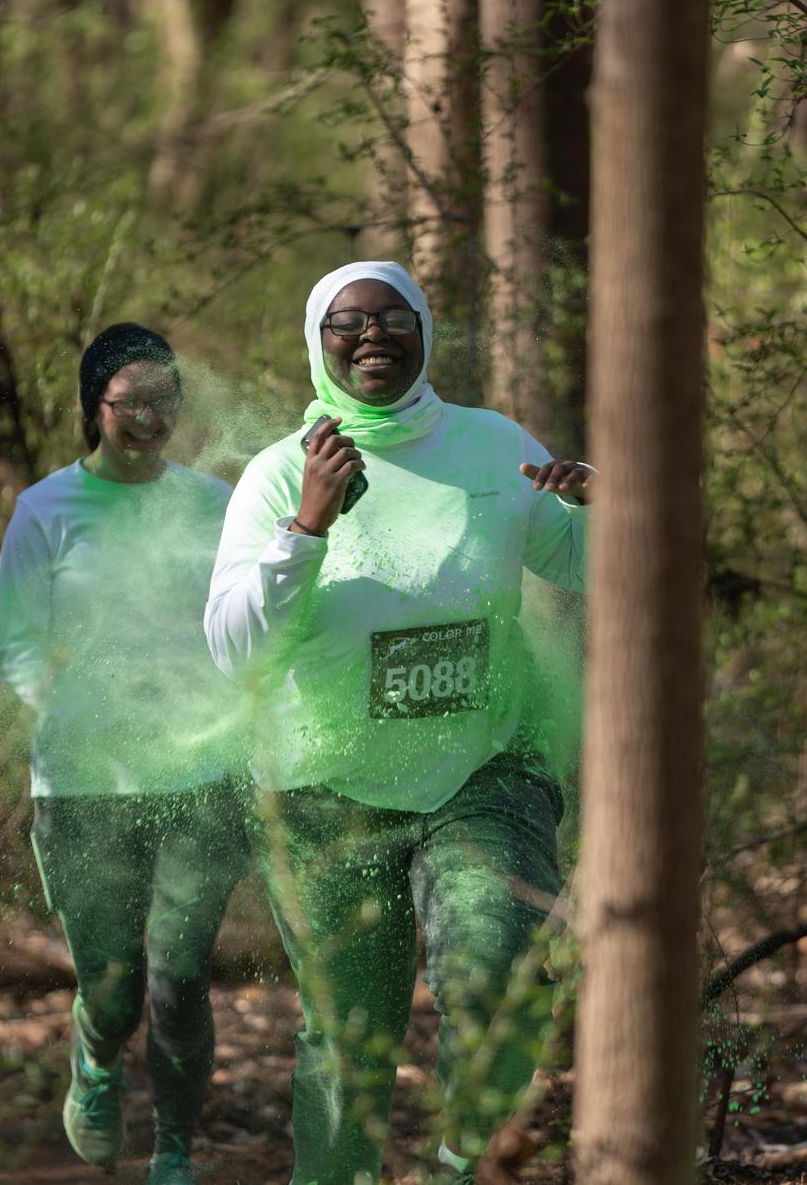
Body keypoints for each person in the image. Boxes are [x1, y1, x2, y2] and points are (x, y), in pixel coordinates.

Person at [204, 260, 592, 1185]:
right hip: (324, 790)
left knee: (499, 977)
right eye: (348, 323)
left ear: (424, 332)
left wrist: (599, 505)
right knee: (350, 1044)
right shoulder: (276, 477)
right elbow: (233, 649)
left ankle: (462, 1165)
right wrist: (308, 525)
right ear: (318, 342)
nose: (371, 336)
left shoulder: (494, 447)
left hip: (482, 771)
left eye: (392, 319)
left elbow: (585, 565)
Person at [0, 323, 249, 1185]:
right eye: (129, 402)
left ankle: (175, 1148)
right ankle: (97, 1059)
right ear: (93, 408)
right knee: (116, 982)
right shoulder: (46, 511)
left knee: (178, 976)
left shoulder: (213, 505)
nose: (149, 418)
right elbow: (17, 646)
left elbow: (248, 624)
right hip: (85, 781)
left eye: (163, 401)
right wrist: (85, 708)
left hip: (199, 773)